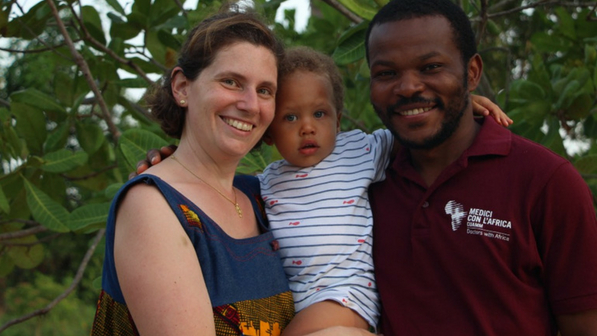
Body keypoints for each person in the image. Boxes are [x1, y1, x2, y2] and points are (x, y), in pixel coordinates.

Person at [134, 45, 511, 335]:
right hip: (297, 303)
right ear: (268, 131)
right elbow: (204, 184)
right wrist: (168, 159)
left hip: (345, 296)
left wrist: (461, 109)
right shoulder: (263, 184)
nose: (307, 127)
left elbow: (424, 130)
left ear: (338, 117)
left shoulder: (360, 150)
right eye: (291, 117)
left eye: (319, 113)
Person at [91, 6, 372, 336]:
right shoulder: (153, 206)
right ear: (182, 87)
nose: (251, 104)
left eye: (265, 90)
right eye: (231, 82)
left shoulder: (263, 196)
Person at [365, 0, 597, 335]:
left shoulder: (547, 182)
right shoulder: (360, 180)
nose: (408, 87)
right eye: (386, 73)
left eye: (431, 68)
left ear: (472, 74)